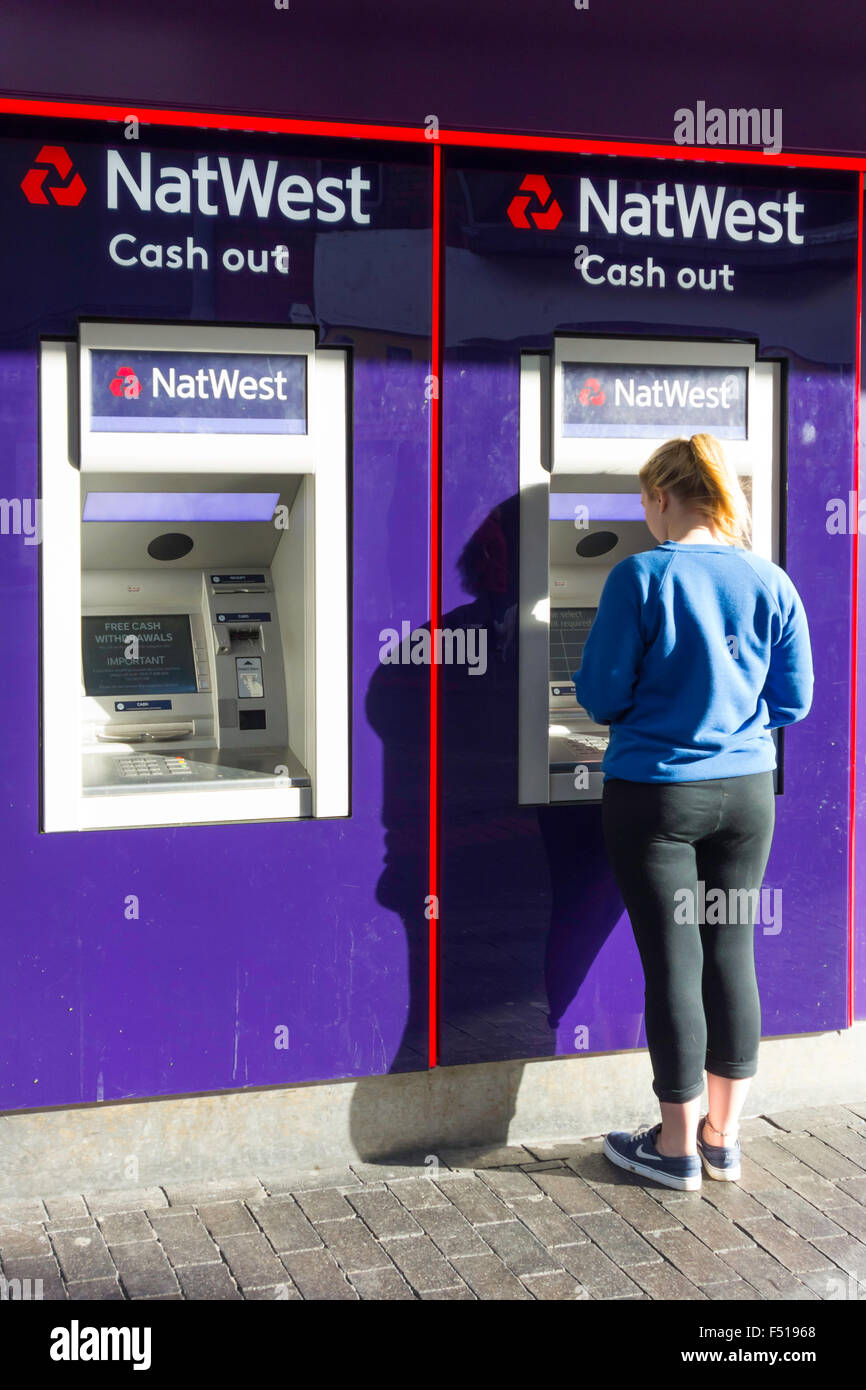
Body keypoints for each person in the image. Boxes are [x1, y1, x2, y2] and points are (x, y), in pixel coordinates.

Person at [572, 433, 813, 1191]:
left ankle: (673, 1151)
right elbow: (793, 701)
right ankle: (723, 1137)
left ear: (663, 497)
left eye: (645, 500)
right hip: (746, 798)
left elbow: (601, 694)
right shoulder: (769, 579)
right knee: (731, 955)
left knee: (674, 965)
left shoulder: (641, 576)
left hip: (658, 797)